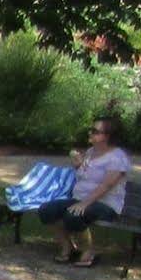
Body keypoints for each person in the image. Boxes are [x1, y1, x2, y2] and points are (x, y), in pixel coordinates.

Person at [37, 114, 132, 267]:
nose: (90, 133)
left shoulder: (117, 158)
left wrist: (84, 204)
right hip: (81, 199)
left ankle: (88, 252)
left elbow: (106, 186)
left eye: (95, 131)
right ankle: (68, 246)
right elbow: (84, 177)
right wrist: (78, 165)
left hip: (106, 204)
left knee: (73, 215)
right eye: (91, 130)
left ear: (108, 136)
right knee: (46, 210)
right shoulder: (90, 152)